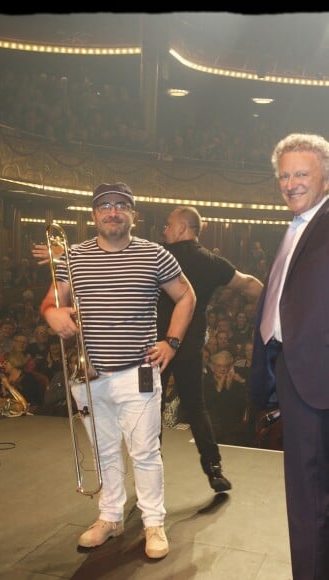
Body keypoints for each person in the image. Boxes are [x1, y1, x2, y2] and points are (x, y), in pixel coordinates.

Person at [39, 182, 196, 559]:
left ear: (133, 214)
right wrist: (51, 314)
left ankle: (153, 523)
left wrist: (171, 343)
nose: (113, 212)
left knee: (144, 452)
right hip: (88, 376)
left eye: (121, 206)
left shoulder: (154, 254)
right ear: (94, 215)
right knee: (103, 450)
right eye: (105, 206)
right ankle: (110, 517)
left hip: (137, 371)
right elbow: (51, 301)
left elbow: (186, 295)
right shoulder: (72, 257)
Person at [250, 133, 329, 580]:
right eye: (284, 175)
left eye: (302, 173)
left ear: (325, 176)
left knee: (308, 500)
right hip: (294, 373)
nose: (291, 183)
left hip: (315, 376)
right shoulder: (296, 226)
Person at [158, 206, 263, 492]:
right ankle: (214, 469)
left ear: (181, 228)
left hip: (157, 347)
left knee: (150, 409)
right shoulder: (211, 261)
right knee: (196, 407)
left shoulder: (158, 255)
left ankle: (150, 473)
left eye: (168, 225)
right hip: (190, 347)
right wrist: (277, 299)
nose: (165, 231)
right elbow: (248, 284)